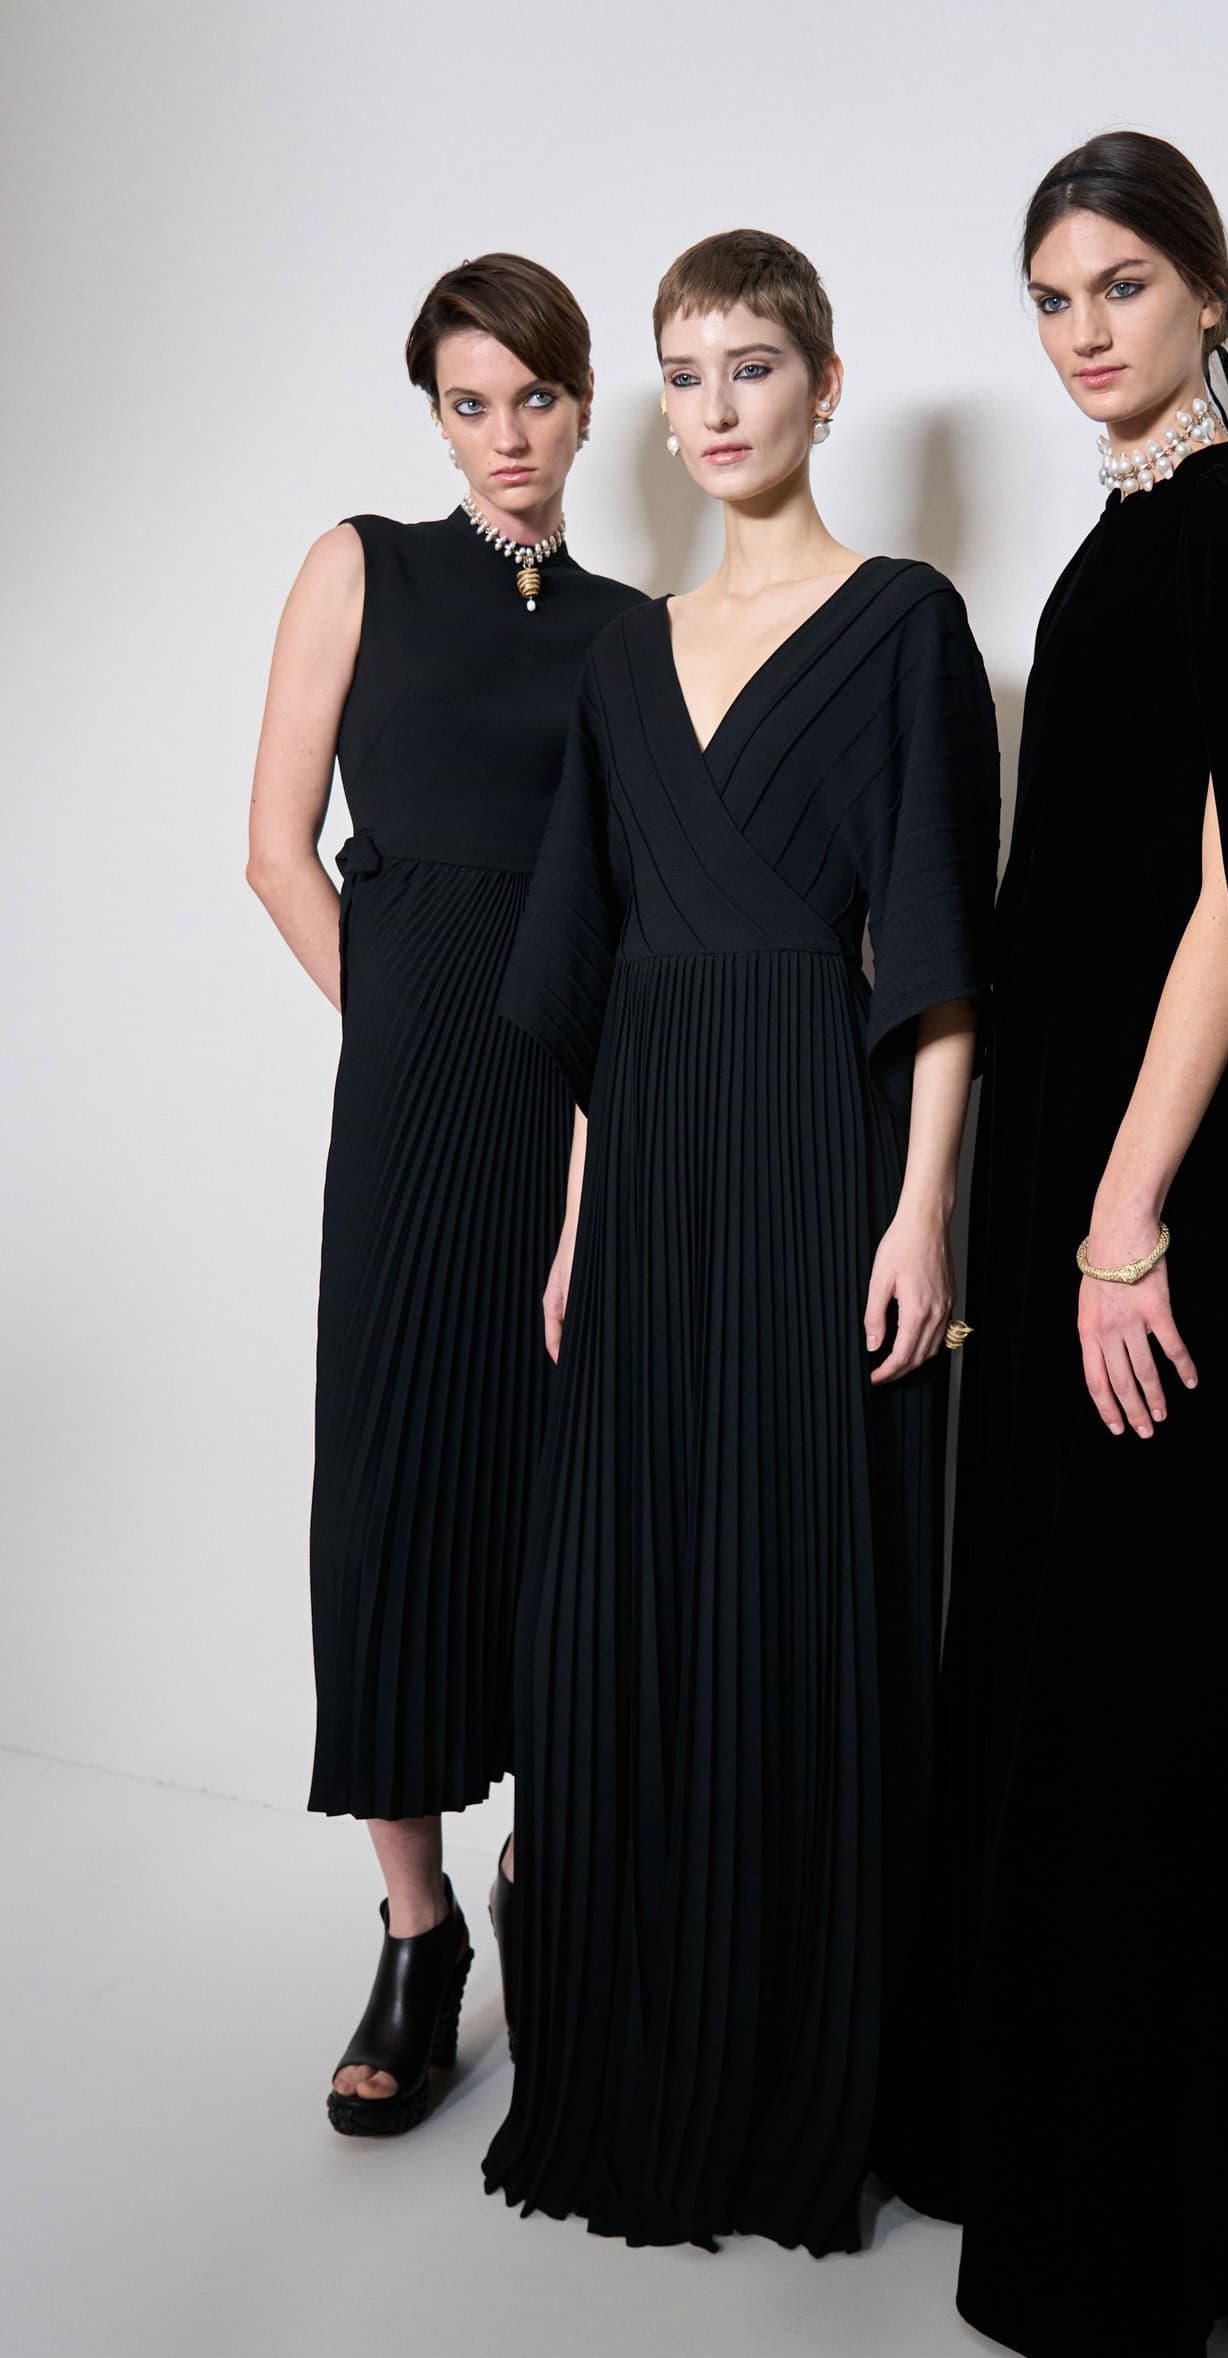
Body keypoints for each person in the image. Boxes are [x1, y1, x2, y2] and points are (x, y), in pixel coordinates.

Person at [879, 133, 1228, 2358]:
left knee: (1175, 1697)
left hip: (1186, 1191)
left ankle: (1178, 2233)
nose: (1082, 331)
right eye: (1049, 295)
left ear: (1212, 292)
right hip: (1090, 1174)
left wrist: (1122, 1216)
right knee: (1098, 1683)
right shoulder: (1114, 548)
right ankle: (1097, 2170)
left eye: (1121, 282)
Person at [483, 229, 999, 2253]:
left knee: (805, 1583)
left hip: (819, 1141)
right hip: (651, 1162)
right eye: (684, 374)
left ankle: (805, 2066)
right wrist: (575, 1225)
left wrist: (922, 1212)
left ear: (826, 385)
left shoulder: (906, 624)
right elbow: (591, 971)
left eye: (752, 367)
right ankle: (639, 2042)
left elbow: (939, 949)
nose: (714, 409)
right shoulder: (623, 659)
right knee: (624, 1589)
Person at [247, 253, 644, 2137]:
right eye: (470, 403)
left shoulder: (635, 631)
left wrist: (576, 1109)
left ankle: (550, 1885)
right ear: (435, 414)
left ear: (586, 406)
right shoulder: (363, 566)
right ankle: (418, 1933)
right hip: (413, 1100)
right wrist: (405, 1024)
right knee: (393, 1486)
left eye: (536, 399)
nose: (505, 437)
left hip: (576, 1105)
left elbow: (635, 904)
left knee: (566, 1495)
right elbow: (277, 849)